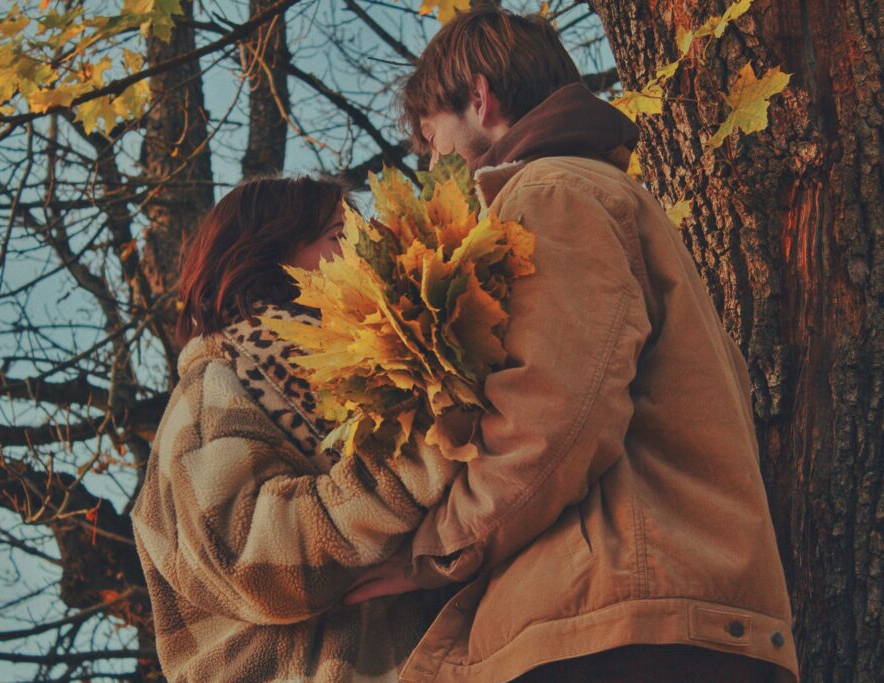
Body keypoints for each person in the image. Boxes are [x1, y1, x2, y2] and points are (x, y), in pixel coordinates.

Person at [343, 9, 800, 683]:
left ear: (479, 98)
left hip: (618, 626)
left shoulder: (550, 192)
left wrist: (434, 549)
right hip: (660, 614)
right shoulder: (604, 195)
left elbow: (553, 419)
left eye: (432, 139)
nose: (433, 165)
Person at [130, 176, 461, 682]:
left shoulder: (359, 372)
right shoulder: (217, 383)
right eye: (339, 234)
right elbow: (249, 555)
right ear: (267, 257)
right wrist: (415, 463)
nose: (366, 246)